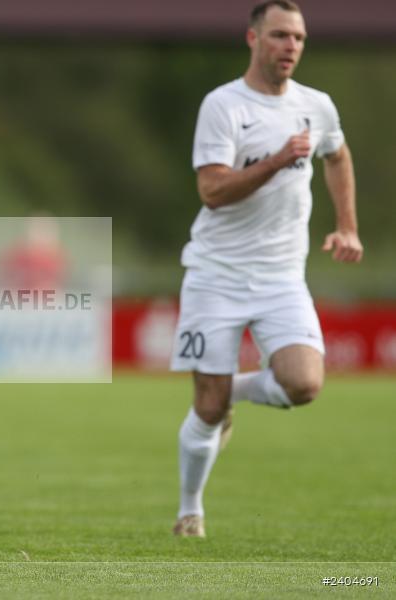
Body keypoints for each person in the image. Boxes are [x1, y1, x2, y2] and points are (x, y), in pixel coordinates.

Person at [171, 0, 363, 537]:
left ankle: (231, 389)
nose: (291, 47)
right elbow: (211, 190)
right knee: (206, 410)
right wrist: (277, 160)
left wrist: (347, 225)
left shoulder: (316, 105)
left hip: (282, 277)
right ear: (253, 39)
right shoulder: (224, 106)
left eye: (298, 38)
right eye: (280, 36)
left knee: (304, 383)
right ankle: (190, 510)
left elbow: (338, 156)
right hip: (216, 274)